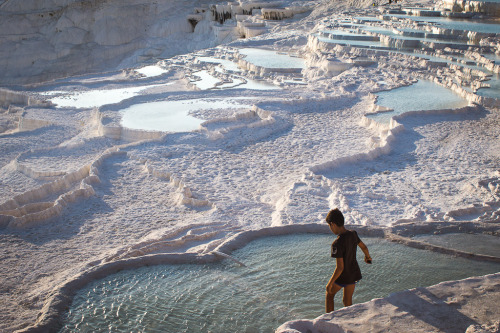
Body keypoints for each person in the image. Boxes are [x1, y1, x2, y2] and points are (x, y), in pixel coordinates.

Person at [325, 208, 372, 313]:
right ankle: (350, 320)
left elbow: (340, 267)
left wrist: (330, 283)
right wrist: (367, 257)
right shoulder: (353, 234)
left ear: (332, 224)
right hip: (353, 274)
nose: (330, 228)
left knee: (329, 294)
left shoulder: (337, 243)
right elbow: (364, 247)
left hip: (343, 276)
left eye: (329, 226)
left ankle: (328, 321)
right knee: (347, 301)